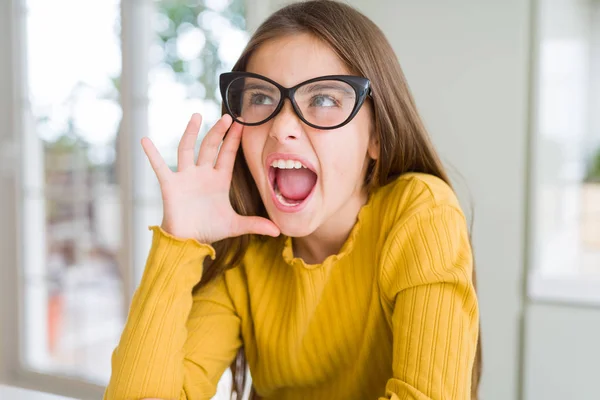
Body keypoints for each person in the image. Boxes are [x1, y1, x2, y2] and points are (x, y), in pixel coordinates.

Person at [103, 1, 481, 399]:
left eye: (323, 99)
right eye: (262, 98)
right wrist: (176, 244)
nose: (281, 128)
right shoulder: (242, 254)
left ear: (377, 136)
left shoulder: (420, 212)